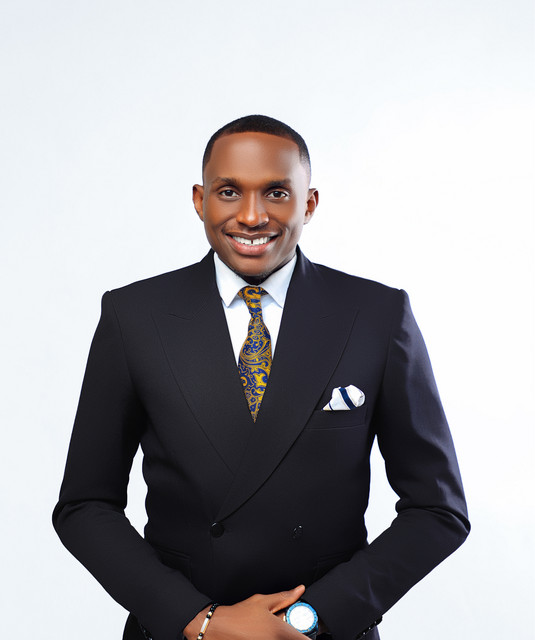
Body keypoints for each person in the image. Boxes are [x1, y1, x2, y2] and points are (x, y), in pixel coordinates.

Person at [53, 115, 470, 640]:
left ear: (309, 203)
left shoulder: (376, 315)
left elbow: (437, 509)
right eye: (229, 192)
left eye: (276, 192)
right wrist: (201, 620)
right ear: (200, 200)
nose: (251, 216)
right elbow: (85, 506)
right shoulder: (134, 316)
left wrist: (310, 618)